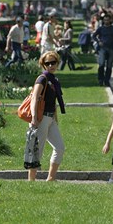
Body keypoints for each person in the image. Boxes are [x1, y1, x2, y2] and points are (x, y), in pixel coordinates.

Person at [25, 51, 66, 181]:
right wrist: (34, 117)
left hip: (50, 118)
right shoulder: (42, 78)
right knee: (38, 149)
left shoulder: (54, 80)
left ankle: (51, 179)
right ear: (43, 65)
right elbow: (34, 98)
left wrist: (55, 117)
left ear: (57, 63)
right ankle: (31, 180)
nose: (51, 65)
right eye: (47, 63)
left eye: (53, 62)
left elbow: (53, 101)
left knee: (59, 147)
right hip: (40, 118)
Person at [92, 14, 113, 87]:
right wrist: (98, 42)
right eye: (105, 20)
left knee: (109, 66)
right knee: (101, 64)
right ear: (103, 20)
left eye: (108, 19)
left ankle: (107, 80)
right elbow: (94, 36)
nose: (106, 21)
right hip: (102, 48)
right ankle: (100, 79)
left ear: (110, 20)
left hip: (111, 48)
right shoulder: (101, 28)